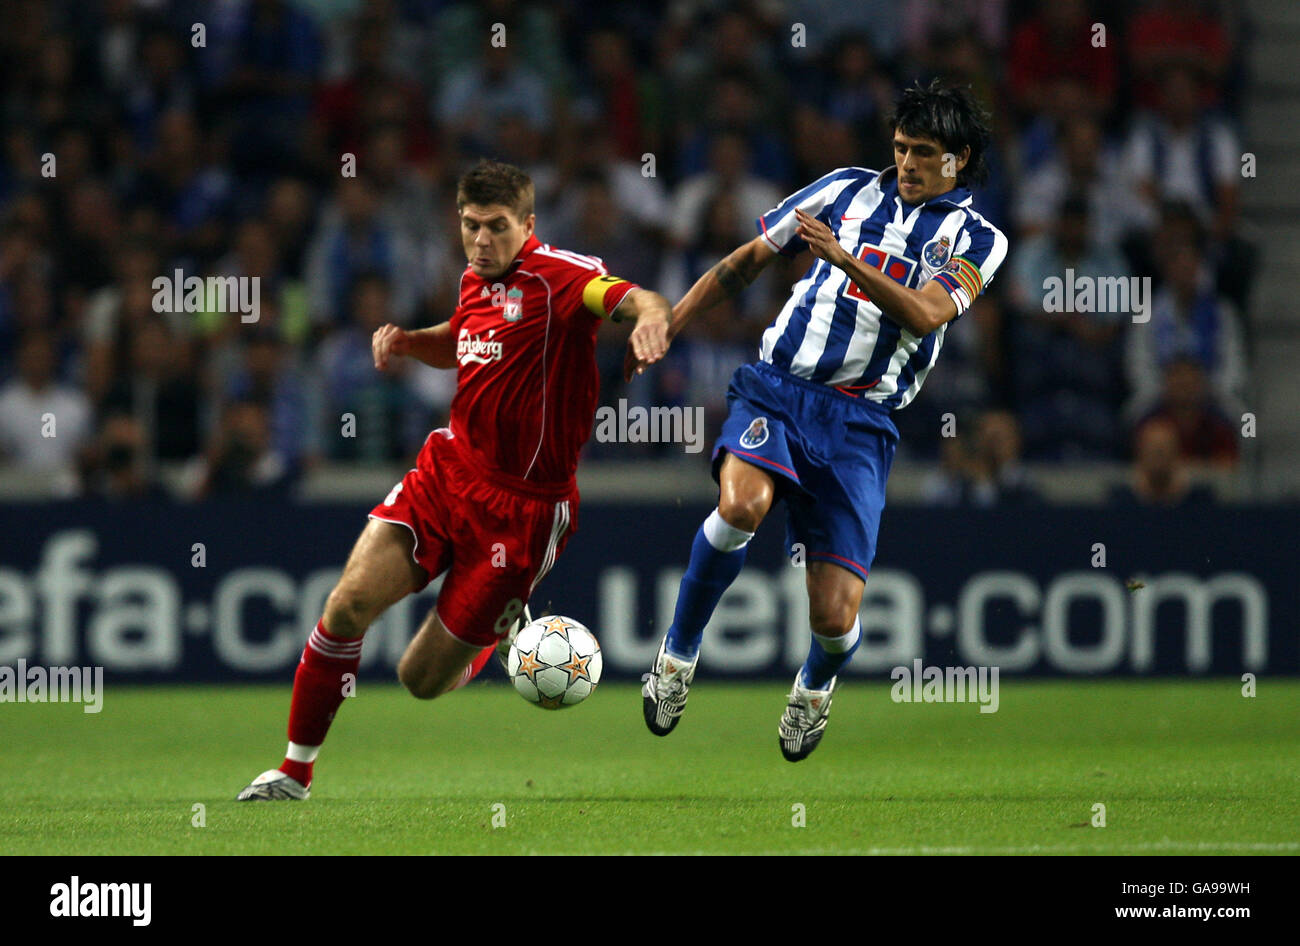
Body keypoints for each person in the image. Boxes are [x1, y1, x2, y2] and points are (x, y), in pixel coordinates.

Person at [238, 159, 670, 800]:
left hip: (525, 511)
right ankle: (294, 771)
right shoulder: (474, 277)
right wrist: (413, 342)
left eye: (497, 227)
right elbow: (465, 337)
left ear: (528, 224)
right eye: (470, 227)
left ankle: (493, 636)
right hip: (449, 472)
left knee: (419, 678)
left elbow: (633, 297)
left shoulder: (562, 277)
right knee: (345, 606)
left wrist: (652, 320)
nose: (482, 242)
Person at [642, 81, 1008, 761]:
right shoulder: (843, 189)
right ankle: (677, 656)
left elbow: (926, 314)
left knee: (835, 619)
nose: (906, 163)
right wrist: (671, 322)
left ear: (958, 158)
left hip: (861, 426)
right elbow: (747, 260)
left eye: (924, 153)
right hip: (779, 389)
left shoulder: (980, 239)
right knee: (742, 504)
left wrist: (845, 260)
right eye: (900, 148)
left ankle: (814, 685)